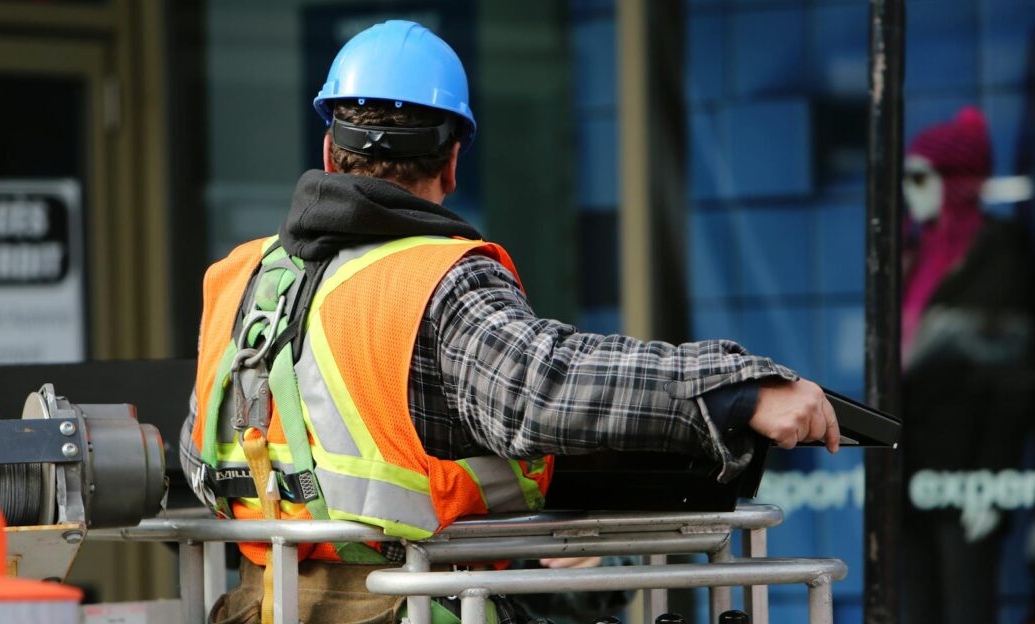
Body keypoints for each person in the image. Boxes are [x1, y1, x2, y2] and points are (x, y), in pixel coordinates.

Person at [179, 20, 839, 624]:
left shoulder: (240, 279)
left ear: (329, 150)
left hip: (266, 606)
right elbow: (540, 388)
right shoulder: (435, 279)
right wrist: (736, 388)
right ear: (454, 162)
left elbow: (200, 455)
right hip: (409, 609)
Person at [899, 107, 1035, 624]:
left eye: (919, 177)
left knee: (966, 608)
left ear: (954, 181)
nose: (910, 192)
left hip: (967, 472)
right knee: (914, 607)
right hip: (911, 469)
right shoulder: (912, 254)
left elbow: (1010, 381)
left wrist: (992, 480)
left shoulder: (998, 253)